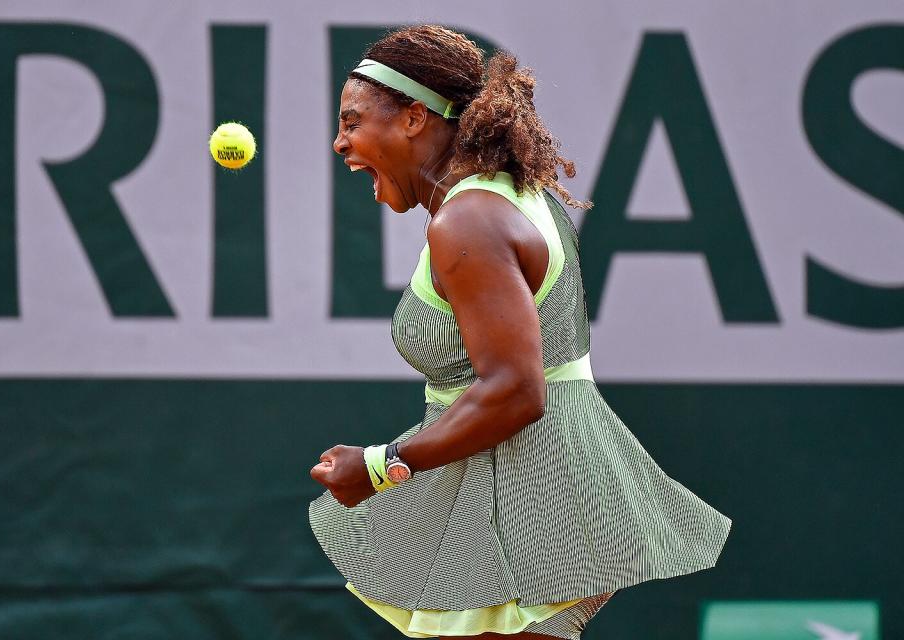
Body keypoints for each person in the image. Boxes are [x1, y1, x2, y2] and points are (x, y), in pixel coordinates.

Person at [309, 25, 731, 640]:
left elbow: (516, 389)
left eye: (353, 122)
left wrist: (380, 466)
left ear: (413, 119)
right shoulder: (505, 195)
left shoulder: (469, 222)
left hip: (529, 506)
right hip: (540, 489)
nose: (340, 142)